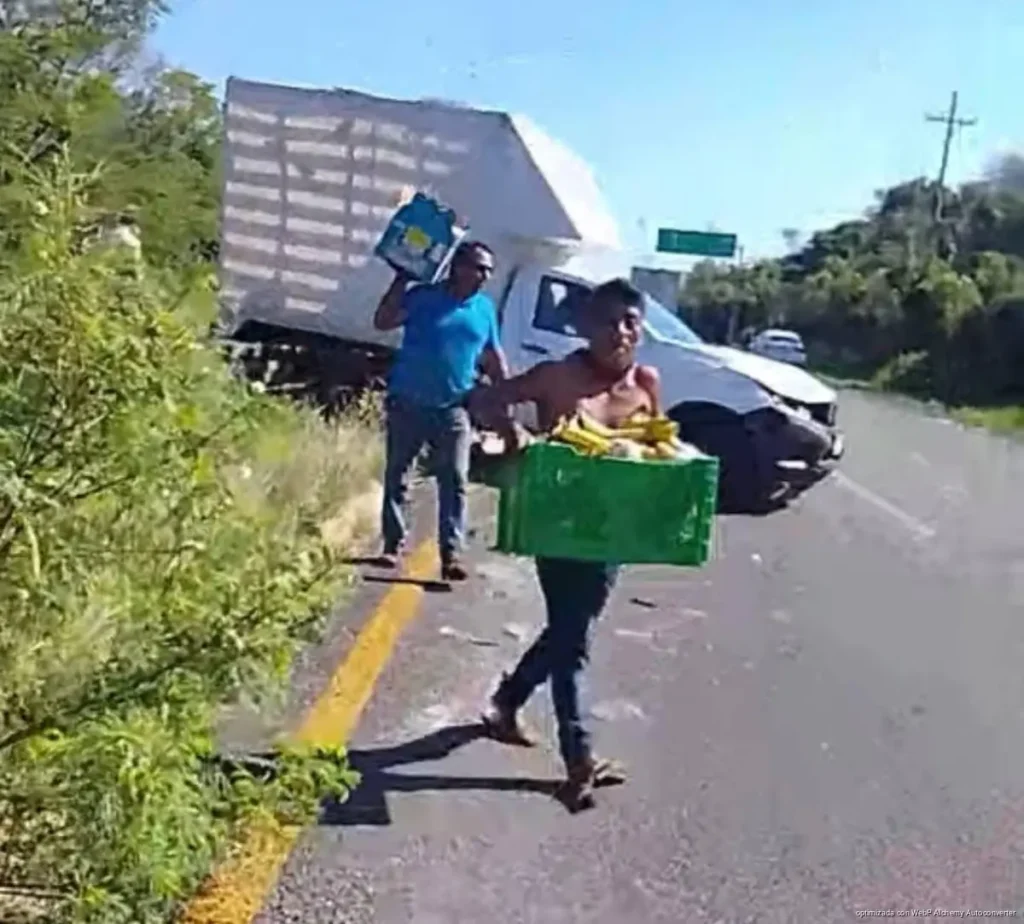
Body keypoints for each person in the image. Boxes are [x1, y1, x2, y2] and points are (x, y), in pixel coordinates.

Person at [469, 277, 661, 811]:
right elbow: (487, 399)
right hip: (555, 526)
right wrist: (516, 440)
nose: (618, 332)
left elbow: (656, 443)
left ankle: (506, 702)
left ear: (640, 329)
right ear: (584, 326)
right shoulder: (559, 376)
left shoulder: (646, 383)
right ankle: (579, 760)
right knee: (573, 642)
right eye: (606, 320)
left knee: (568, 629)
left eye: (630, 321)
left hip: (611, 533)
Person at [373, 240, 509, 581]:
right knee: (398, 475)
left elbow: (492, 354)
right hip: (409, 402)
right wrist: (400, 279)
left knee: (455, 480)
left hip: (453, 408)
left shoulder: (484, 310)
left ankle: (451, 554)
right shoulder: (423, 297)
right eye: (479, 268)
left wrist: (504, 392)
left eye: (488, 270)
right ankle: (393, 545)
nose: (484, 276)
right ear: (458, 267)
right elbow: (383, 321)